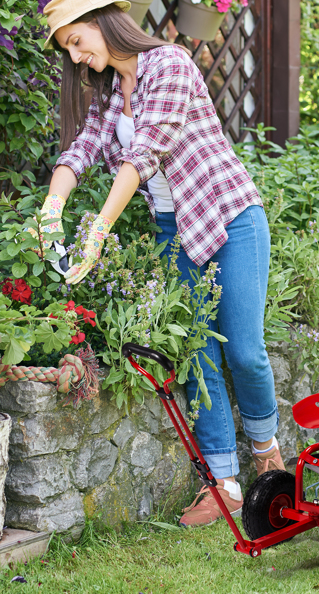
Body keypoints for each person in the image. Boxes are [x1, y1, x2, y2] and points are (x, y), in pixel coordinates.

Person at [39, 0, 285, 527]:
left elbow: (146, 152)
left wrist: (99, 231)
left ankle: (268, 457)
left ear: (103, 21)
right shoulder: (109, 96)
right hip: (175, 231)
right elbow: (81, 151)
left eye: (78, 40)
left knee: (243, 350)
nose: (78, 56)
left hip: (230, 216)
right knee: (198, 353)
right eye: (68, 50)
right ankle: (224, 486)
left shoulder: (169, 63)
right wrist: (51, 213)